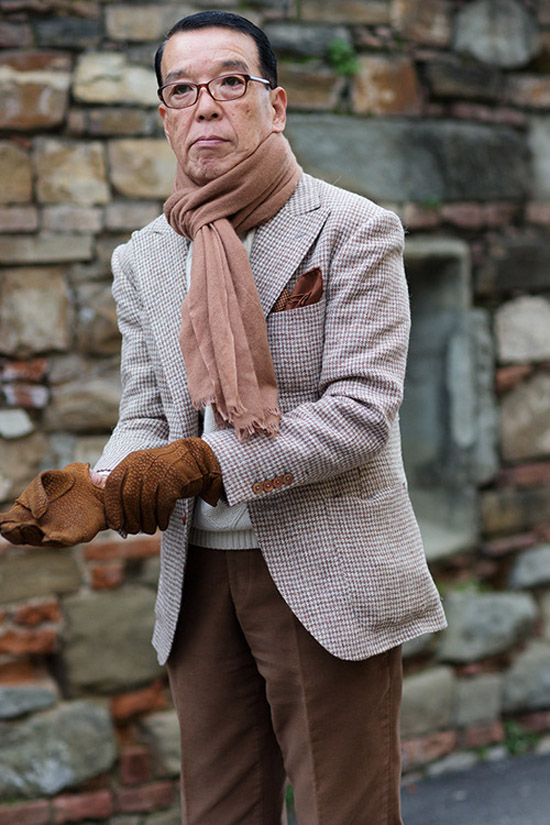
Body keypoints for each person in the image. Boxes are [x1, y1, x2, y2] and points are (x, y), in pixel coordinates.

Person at [0, 11, 447, 825]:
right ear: (165, 116)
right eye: (182, 89)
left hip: (327, 577)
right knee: (220, 813)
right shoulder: (142, 256)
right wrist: (97, 488)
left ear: (274, 106)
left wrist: (204, 465)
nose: (205, 104)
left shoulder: (354, 229)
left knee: (341, 812)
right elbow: (146, 413)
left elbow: (360, 413)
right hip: (198, 577)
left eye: (229, 82)